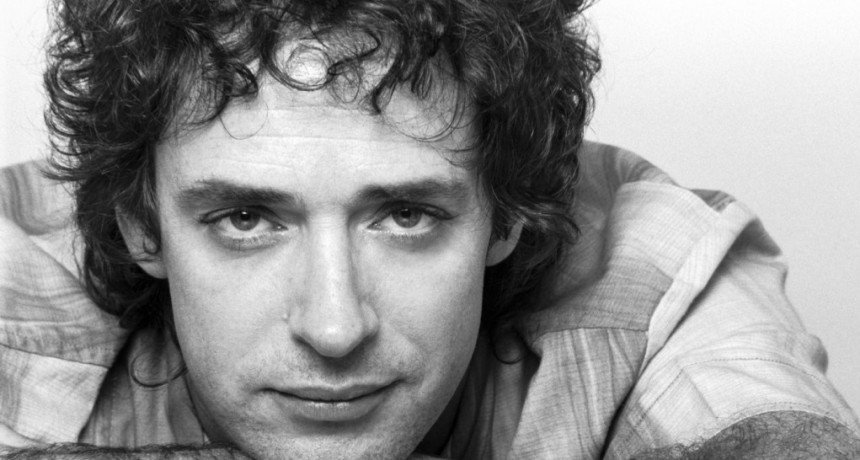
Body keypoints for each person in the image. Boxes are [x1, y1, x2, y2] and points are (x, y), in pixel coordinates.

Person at [1, 0, 858, 458]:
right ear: (142, 224)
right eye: (247, 218)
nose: (335, 328)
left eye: (406, 216)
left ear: (507, 212)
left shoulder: (655, 273)